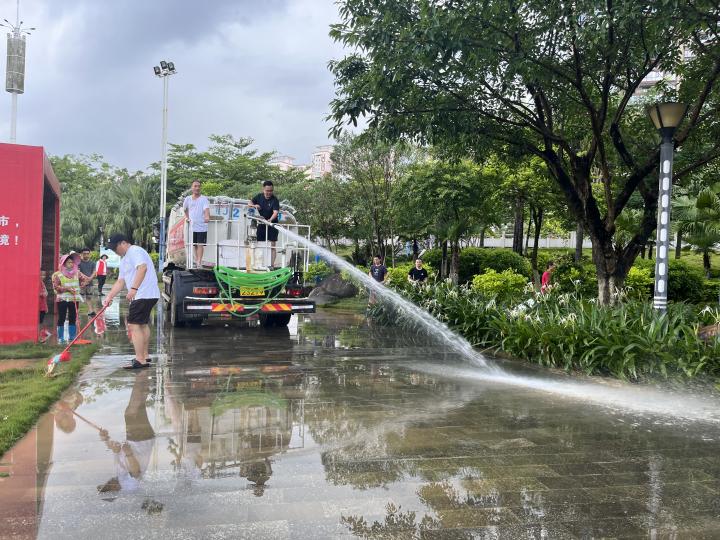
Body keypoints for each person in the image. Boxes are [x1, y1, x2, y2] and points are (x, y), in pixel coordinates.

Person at [104, 234, 161, 369]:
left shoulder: (134, 251)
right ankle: (144, 356)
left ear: (123, 243)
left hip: (143, 294)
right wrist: (109, 296)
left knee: (134, 325)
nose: (114, 251)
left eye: (115, 248)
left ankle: (140, 359)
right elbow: (120, 281)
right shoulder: (124, 259)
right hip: (145, 294)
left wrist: (134, 289)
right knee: (141, 325)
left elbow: (142, 268)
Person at [52, 252, 86, 344]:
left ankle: (72, 337)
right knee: (62, 318)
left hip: (74, 299)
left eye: (72, 262)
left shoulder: (77, 273)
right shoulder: (57, 275)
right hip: (62, 299)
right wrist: (67, 289)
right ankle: (61, 338)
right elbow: (56, 287)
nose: (71, 264)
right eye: (69, 262)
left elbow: (83, 280)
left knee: (73, 317)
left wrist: (82, 283)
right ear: (63, 263)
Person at [249, 180, 280, 268]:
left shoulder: (275, 200)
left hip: (272, 224)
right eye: (267, 191)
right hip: (261, 224)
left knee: (272, 246)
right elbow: (249, 203)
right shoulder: (259, 196)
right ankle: (259, 264)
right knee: (259, 244)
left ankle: (271, 265)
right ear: (263, 189)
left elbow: (275, 212)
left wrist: (270, 220)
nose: (269, 193)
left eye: (271, 191)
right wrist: (254, 206)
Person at [183, 180, 210, 268]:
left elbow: (206, 209)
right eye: (195, 186)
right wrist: (187, 217)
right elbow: (185, 209)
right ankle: (197, 260)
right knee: (194, 245)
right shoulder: (187, 199)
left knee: (200, 244)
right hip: (192, 226)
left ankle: (199, 262)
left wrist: (207, 217)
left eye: (199, 186)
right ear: (192, 187)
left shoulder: (204, 199)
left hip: (202, 226)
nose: (197, 188)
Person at [79, 248, 97, 317]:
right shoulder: (79, 263)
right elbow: (78, 272)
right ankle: (75, 311)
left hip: (90, 283)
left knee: (89, 297)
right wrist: (86, 279)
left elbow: (94, 272)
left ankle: (91, 311)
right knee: (78, 298)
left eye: (87, 254)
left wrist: (90, 278)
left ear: (89, 254)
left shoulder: (93, 263)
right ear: (81, 254)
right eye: (84, 254)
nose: (86, 255)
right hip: (81, 284)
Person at [39, 270, 52, 342]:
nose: (43, 277)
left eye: (44, 275)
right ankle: (40, 334)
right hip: (39, 306)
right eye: (41, 275)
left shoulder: (42, 283)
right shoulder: (38, 283)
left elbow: (45, 294)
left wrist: (45, 307)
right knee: (40, 321)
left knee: (41, 320)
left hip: (43, 306)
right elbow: (42, 293)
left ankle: (42, 333)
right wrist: (43, 293)